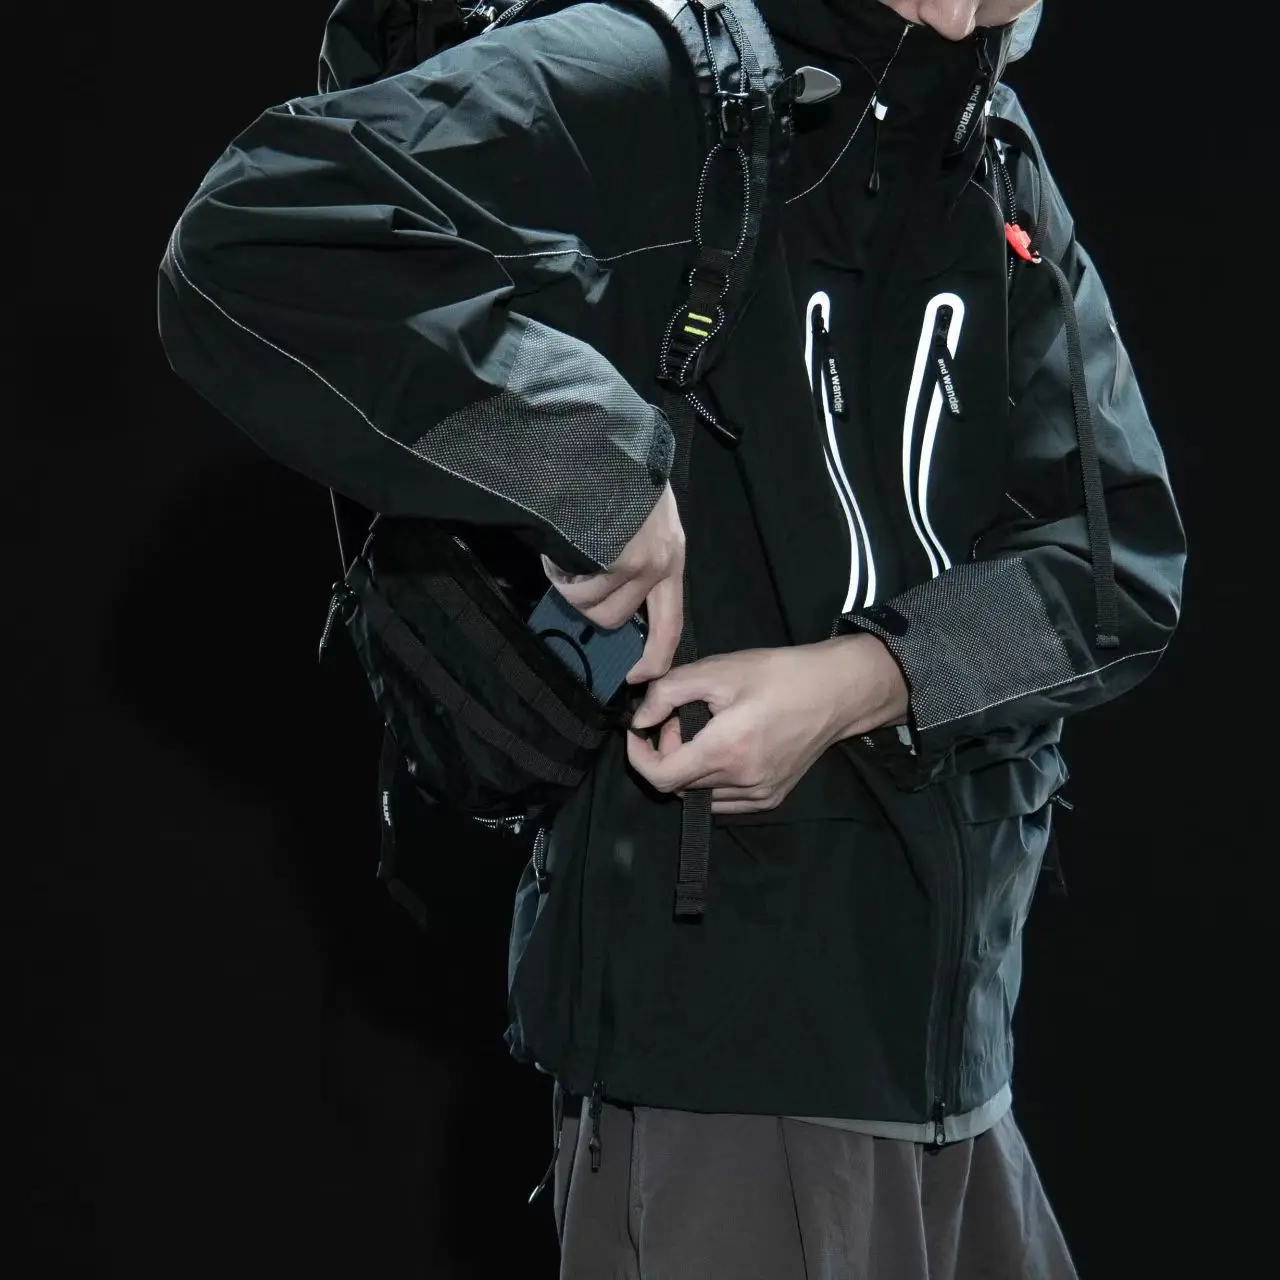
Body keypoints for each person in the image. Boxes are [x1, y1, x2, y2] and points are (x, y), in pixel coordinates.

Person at [157, 0, 1185, 1274]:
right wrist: (589, 467)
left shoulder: (988, 153)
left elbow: (1116, 565)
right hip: (720, 1079)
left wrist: (861, 676)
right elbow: (253, 235)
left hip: (955, 1066)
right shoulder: (660, 70)